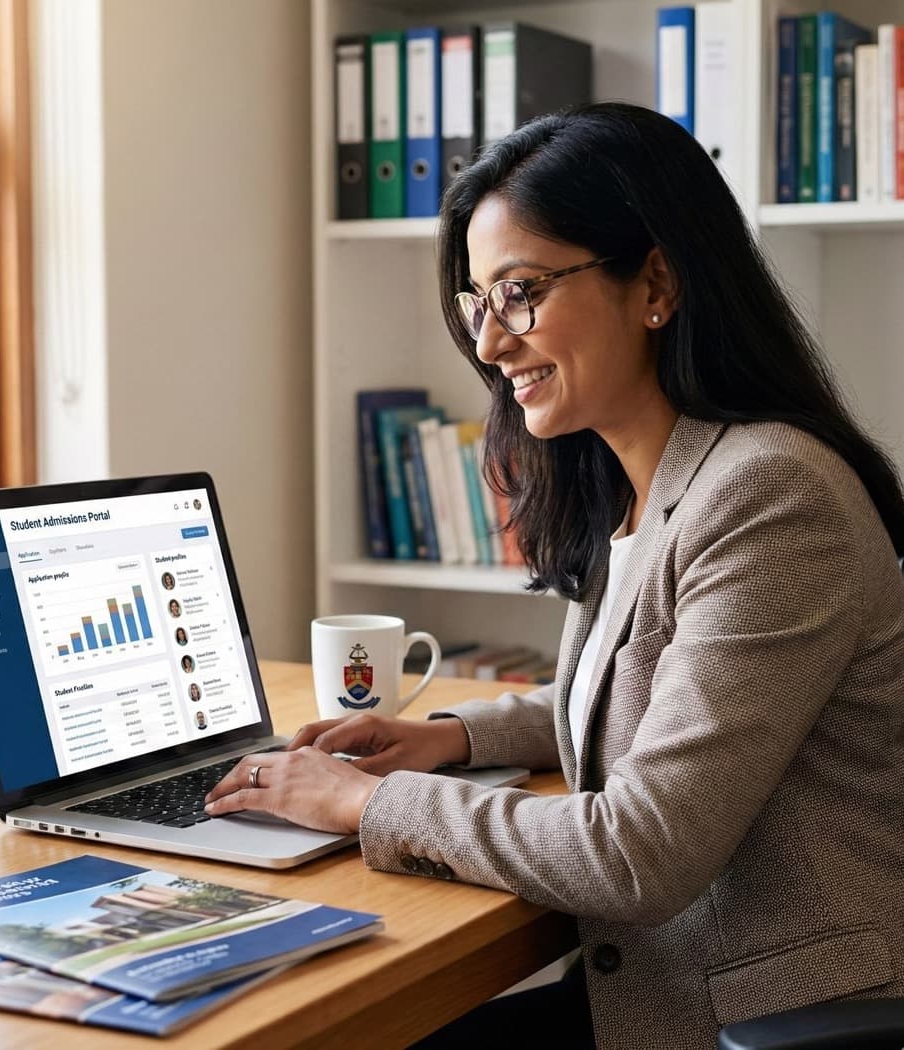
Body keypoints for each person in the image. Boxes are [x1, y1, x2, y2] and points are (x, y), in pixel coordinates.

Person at [204, 102, 904, 1049]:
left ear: (655, 282)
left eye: (521, 292)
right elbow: (652, 686)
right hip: (676, 981)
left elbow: (637, 854)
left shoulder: (771, 496)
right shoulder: (645, 481)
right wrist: (446, 738)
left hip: (767, 1014)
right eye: (479, 303)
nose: (491, 346)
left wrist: (360, 800)